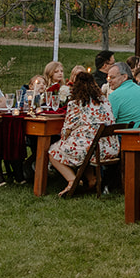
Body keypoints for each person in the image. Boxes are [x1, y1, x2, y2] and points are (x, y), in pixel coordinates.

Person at [47, 70, 117, 198]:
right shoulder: (105, 102)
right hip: (110, 148)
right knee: (85, 144)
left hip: (94, 150)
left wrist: (65, 136)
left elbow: (66, 131)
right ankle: (91, 180)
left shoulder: (76, 104)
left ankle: (72, 181)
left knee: (53, 151)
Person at [105, 61, 140, 127]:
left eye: (112, 77)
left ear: (124, 77)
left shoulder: (115, 96)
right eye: (108, 78)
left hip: (133, 135)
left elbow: (107, 122)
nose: (109, 81)